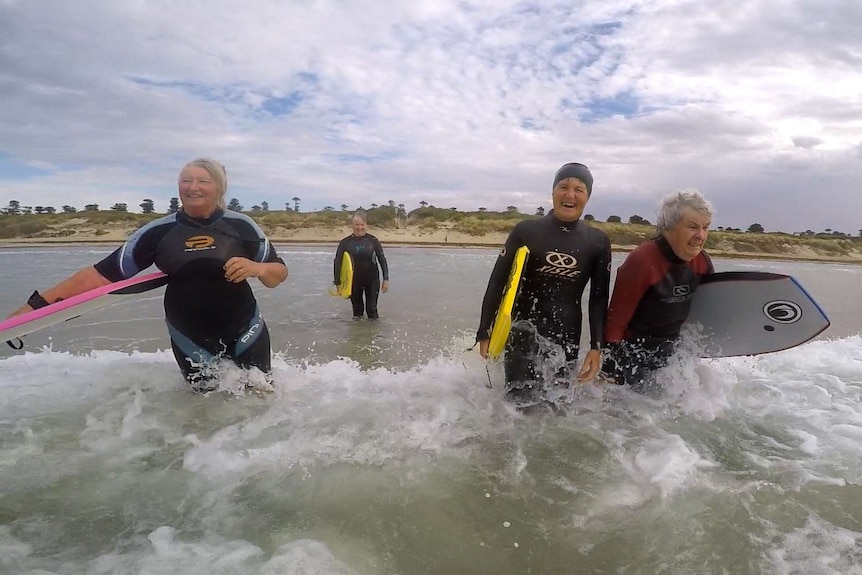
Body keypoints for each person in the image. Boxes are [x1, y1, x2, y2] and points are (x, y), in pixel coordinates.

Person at [7, 158, 288, 390]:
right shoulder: (157, 233)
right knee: (205, 414)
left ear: (219, 187)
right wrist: (34, 308)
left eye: (203, 181)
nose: (193, 187)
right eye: (186, 181)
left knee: (261, 397)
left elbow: (278, 274)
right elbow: (101, 276)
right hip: (189, 335)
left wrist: (257, 268)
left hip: (245, 328)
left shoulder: (241, 226)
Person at [476, 163, 612, 405]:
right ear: (553, 192)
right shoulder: (526, 231)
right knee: (515, 409)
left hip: (566, 340)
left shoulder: (598, 242)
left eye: (579, 189)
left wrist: (596, 347)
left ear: (587, 197)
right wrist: (484, 330)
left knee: (557, 413)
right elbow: (497, 282)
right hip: (522, 335)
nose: (570, 195)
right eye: (563, 187)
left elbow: (599, 298)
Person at [601, 189, 715, 392]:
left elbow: (710, 315)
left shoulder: (702, 262)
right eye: (692, 227)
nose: (700, 235)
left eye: (705, 227)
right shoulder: (643, 260)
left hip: (675, 354)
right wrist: (608, 371)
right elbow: (615, 322)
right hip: (634, 354)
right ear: (668, 227)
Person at [333, 212, 389, 319]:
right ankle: (357, 335)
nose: (359, 227)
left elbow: (382, 259)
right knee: (357, 311)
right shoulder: (345, 243)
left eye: (362, 224)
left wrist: (385, 279)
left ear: (366, 225)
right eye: (357, 225)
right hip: (353, 281)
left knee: (372, 309)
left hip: (372, 279)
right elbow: (337, 262)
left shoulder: (373, 241)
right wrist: (338, 283)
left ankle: (374, 334)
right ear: (352, 225)